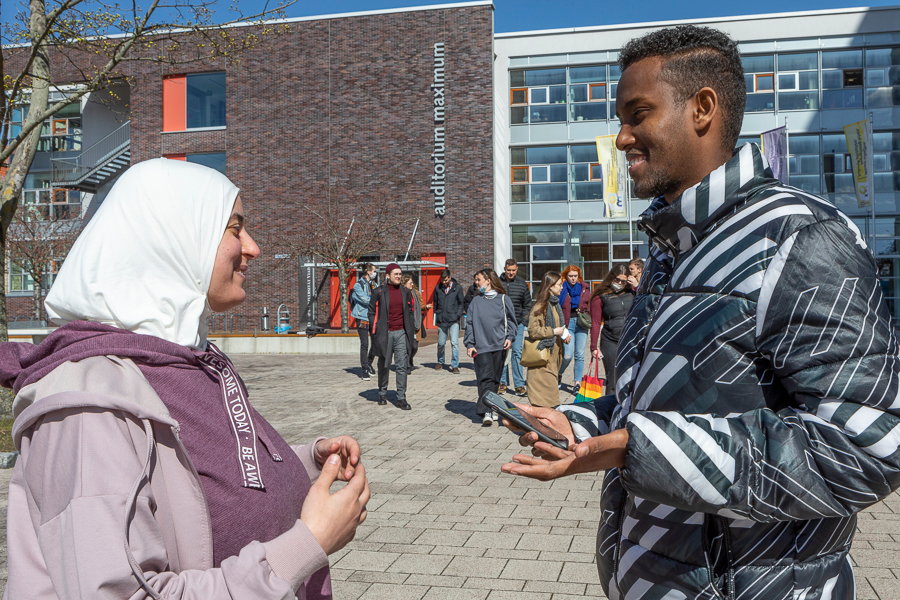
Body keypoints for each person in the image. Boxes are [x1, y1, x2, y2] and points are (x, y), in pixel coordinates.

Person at [500, 25, 900, 599]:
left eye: (638, 114)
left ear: (703, 109)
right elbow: (658, 401)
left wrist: (643, 450)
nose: (620, 139)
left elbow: (869, 444)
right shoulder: (671, 245)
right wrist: (582, 423)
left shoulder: (800, 238)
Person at [2, 158, 370, 599]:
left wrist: (305, 463)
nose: (252, 247)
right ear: (174, 239)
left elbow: (191, 474)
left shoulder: (182, 359)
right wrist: (306, 545)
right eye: (235, 228)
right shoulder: (87, 404)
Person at [463, 269, 516, 426]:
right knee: (485, 378)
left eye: (478, 279)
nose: (476, 283)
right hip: (481, 346)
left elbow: (512, 321)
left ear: (488, 280)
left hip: (499, 345)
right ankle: (486, 410)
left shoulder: (503, 299)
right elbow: (470, 324)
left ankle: (493, 408)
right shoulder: (475, 302)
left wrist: (510, 337)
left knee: (495, 379)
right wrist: (470, 344)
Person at [368, 263, 416, 410]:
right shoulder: (379, 292)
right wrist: (374, 330)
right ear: (388, 275)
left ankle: (401, 397)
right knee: (384, 364)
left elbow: (409, 311)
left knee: (402, 365)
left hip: (401, 332)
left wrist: (411, 329)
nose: (398, 276)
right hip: (385, 333)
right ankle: (382, 392)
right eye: (396, 274)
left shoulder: (405, 291)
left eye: (400, 274)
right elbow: (371, 311)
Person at [524, 271, 569, 409]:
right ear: (550, 286)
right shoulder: (540, 306)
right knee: (547, 396)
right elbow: (533, 330)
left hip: (553, 354)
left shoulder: (555, 304)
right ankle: (542, 423)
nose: (562, 287)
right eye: (559, 285)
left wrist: (563, 334)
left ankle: (544, 423)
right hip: (542, 356)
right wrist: (553, 332)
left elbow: (557, 324)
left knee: (550, 393)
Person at [587, 264, 633, 395]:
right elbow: (595, 322)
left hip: (629, 340)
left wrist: (637, 285)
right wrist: (593, 347)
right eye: (617, 279)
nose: (619, 283)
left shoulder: (632, 292)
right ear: (612, 277)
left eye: (623, 281)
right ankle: (610, 409)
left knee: (631, 375)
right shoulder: (601, 296)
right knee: (613, 377)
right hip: (610, 341)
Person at [498, 259, 530, 396]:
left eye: (513, 270)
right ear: (505, 269)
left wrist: (523, 320)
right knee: (503, 353)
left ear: (517, 269)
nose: (511, 273)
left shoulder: (522, 284)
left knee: (517, 353)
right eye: (508, 270)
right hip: (501, 324)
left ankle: (519, 384)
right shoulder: (497, 284)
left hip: (518, 324)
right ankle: (502, 383)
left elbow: (528, 305)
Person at [557, 265, 590, 392]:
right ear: (566, 276)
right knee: (567, 355)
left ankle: (577, 383)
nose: (573, 278)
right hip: (568, 323)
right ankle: (559, 373)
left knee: (580, 354)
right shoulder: (562, 288)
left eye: (575, 276)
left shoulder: (584, 288)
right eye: (570, 276)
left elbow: (590, 304)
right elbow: (557, 305)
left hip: (581, 323)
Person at [432, 268, 464, 374]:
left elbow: (461, 303)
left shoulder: (457, 288)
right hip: (442, 321)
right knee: (441, 343)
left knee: (454, 343)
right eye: (442, 280)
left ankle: (455, 365)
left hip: (453, 320)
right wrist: (436, 317)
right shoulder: (438, 288)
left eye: (445, 280)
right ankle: (440, 361)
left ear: (449, 278)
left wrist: (457, 315)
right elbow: (435, 304)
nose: (444, 282)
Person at [351, 262, 378, 381]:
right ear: (368, 271)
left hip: (373, 316)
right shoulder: (358, 285)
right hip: (362, 317)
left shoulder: (374, 284)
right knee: (365, 344)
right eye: (374, 271)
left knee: (376, 342)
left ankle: (369, 362)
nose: (375, 273)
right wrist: (375, 300)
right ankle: (364, 369)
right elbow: (365, 299)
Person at [401, 273, 426, 370]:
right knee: (407, 345)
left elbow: (421, 304)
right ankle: (406, 364)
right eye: (410, 283)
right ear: (405, 284)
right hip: (406, 323)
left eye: (412, 283)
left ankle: (410, 359)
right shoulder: (402, 293)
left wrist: (425, 307)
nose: (412, 284)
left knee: (414, 346)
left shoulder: (416, 293)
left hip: (416, 322)